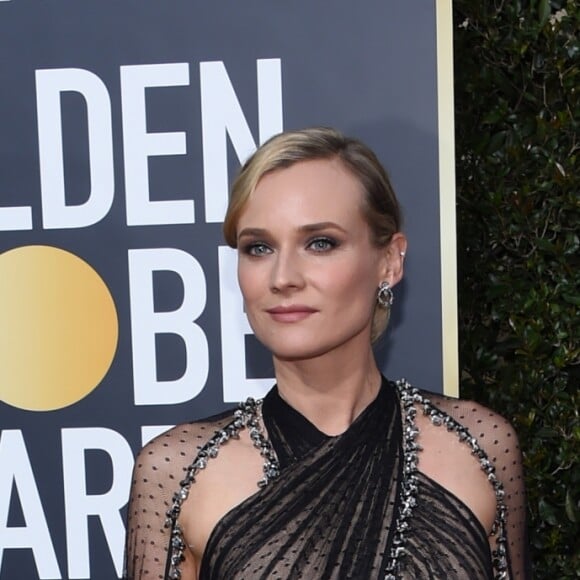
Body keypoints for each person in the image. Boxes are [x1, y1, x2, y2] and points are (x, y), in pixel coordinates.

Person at [124, 127, 529, 579]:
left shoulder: (479, 446)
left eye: (320, 243)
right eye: (258, 248)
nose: (283, 277)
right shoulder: (178, 471)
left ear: (389, 261)